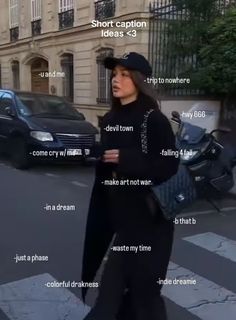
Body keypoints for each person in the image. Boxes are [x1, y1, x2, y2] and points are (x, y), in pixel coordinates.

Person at [81, 52, 179, 320]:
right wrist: (98, 154)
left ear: (139, 80)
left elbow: (169, 165)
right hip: (123, 221)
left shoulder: (152, 119)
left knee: (144, 297)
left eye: (124, 74)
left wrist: (128, 159)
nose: (116, 79)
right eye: (114, 74)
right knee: (110, 297)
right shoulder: (111, 119)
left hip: (150, 224)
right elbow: (109, 163)